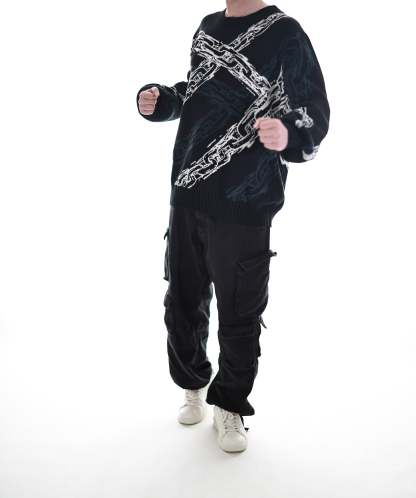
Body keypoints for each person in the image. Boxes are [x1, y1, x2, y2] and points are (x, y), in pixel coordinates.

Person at [136, 0, 330, 453]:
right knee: (182, 299)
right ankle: (192, 385)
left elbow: (313, 110)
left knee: (240, 312)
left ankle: (230, 406)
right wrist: (164, 100)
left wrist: (288, 133)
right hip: (188, 190)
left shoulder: (286, 32)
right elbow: (197, 91)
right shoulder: (207, 27)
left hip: (247, 198)